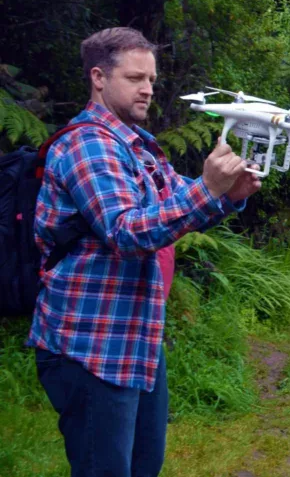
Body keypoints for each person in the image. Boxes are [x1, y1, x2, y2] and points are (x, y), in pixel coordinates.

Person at [28, 27, 261, 477]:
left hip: (137, 341)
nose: (148, 89)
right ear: (98, 77)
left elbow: (182, 207)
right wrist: (207, 190)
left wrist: (227, 195)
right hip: (89, 345)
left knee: (143, 466)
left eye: (151, 78)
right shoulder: (86, 144)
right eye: (135, 78)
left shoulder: (139, 148)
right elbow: (125, 232)